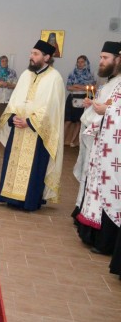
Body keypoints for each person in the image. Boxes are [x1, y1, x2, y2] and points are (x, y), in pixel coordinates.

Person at [0, 40, 65, 211]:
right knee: (12, 163)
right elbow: (15, 99)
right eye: (31, 53)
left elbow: (52, 108)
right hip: (18, 128)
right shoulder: (26, 74)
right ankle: (9, 196)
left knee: (34, 167)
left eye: (35, 54)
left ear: (46, 57)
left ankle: (29, 201)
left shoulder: (55, 78)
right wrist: (13, 117)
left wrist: (29, 121)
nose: (31, 56)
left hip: (37, 132)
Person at [72, 41, 121, 253]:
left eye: (105, 58)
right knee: (96, 189)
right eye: (101, 57)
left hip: (114, 153)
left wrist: (105, 111)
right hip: (101, 147)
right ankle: (92, 234)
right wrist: (93, 107)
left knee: (110, 192)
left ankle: (106, 241)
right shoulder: (110, 84)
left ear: (118, 59)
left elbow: (115, 113)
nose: (101, 61)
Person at [64, 55, 95, 147]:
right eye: (78, 62)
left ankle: (72, 141)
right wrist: (84, 87)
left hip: (84, 98)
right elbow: (69, 87)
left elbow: (92, 88)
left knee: (79, 121)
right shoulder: (72, 73)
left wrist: (77, 86)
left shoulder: (90, 75)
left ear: (86, 63)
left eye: (82, 62)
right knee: (68, 121)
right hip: (72, 98)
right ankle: (62, 140)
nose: (80, 64)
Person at [0, 55, 18, 140]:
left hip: (8, 99)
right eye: (2, 61)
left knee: (6, 118)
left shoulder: (12, 72)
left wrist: (8, 84)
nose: (4, 62)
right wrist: (0, 84)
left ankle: (3, 136)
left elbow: (16, 85)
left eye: (6, 61)